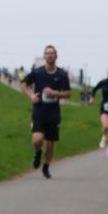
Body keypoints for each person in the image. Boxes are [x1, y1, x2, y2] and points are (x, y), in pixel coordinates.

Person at [22, 45, 72, 178]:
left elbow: (68, 93)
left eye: (52, 53)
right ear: (44, 56)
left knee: (50, 143)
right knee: (37, 139)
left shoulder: (61, 74)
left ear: (56, 56)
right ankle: (38, 153)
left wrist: (54, 93)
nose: (49, 55)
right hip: (39, 111)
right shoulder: (38, 72)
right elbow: (24, 84)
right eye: (47, 53)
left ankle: (46, 167)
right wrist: (31, 96)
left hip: (54, 113)